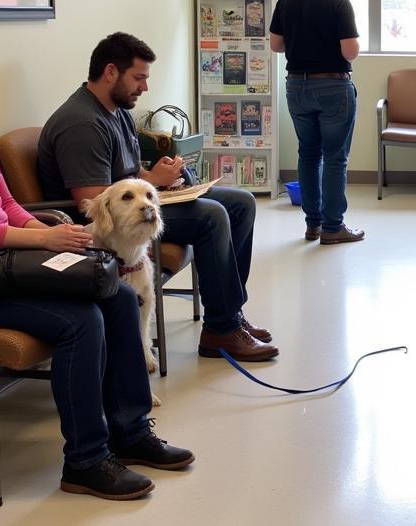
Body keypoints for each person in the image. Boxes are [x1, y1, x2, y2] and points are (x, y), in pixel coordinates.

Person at [0, 30, 193, 500]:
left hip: (1, 260)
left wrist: (51, 236)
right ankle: (86, 462)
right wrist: (42, 237)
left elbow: (5, 203)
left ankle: (130, 433)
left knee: (121, 295)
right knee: (81, 321)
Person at [37, 32, 278, 363]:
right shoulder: (82, 123)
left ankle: (230, 312)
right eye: (138, 78)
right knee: (213, 216)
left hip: (131, 206)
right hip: (104, 226)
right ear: (110, 72)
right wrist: (152, 182)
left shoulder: (116, 110)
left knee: (240, 203)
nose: (144, 87)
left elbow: (129, 174)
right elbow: (90, 202)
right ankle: (221, 330)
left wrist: (161, 181)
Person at [269, 0, 362, 244]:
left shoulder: (287, 0)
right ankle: (334, 227)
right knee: (335, 158)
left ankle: (313, 225)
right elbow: (350, 51)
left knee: (308, 154)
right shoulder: (339, 3)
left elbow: (276, 45)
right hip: (334, 87)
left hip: (296, 86)